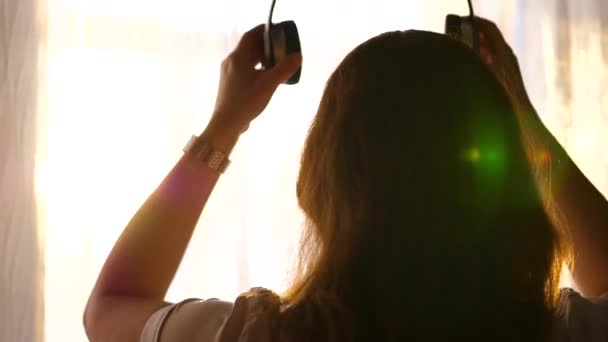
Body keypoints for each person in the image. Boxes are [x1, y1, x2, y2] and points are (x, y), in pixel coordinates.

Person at [83, 17, 608, 342]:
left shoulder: (260, 336)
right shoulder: (563, 334)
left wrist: (225, 125)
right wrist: (523, 121)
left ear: (320, 185)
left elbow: (111, 307)